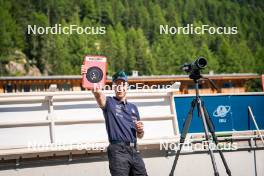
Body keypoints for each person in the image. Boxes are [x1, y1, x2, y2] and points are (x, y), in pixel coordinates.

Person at [81, 67, 148, 176]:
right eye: (117, 85)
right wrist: (88, 75)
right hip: (118, 152)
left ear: (127, 87)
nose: (120, 87)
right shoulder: (109, 103)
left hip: (135, 150)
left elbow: (140, 135)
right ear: (113, 87)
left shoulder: (134, 108)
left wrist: (140, 131)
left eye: (122, 84)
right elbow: (97, 92)